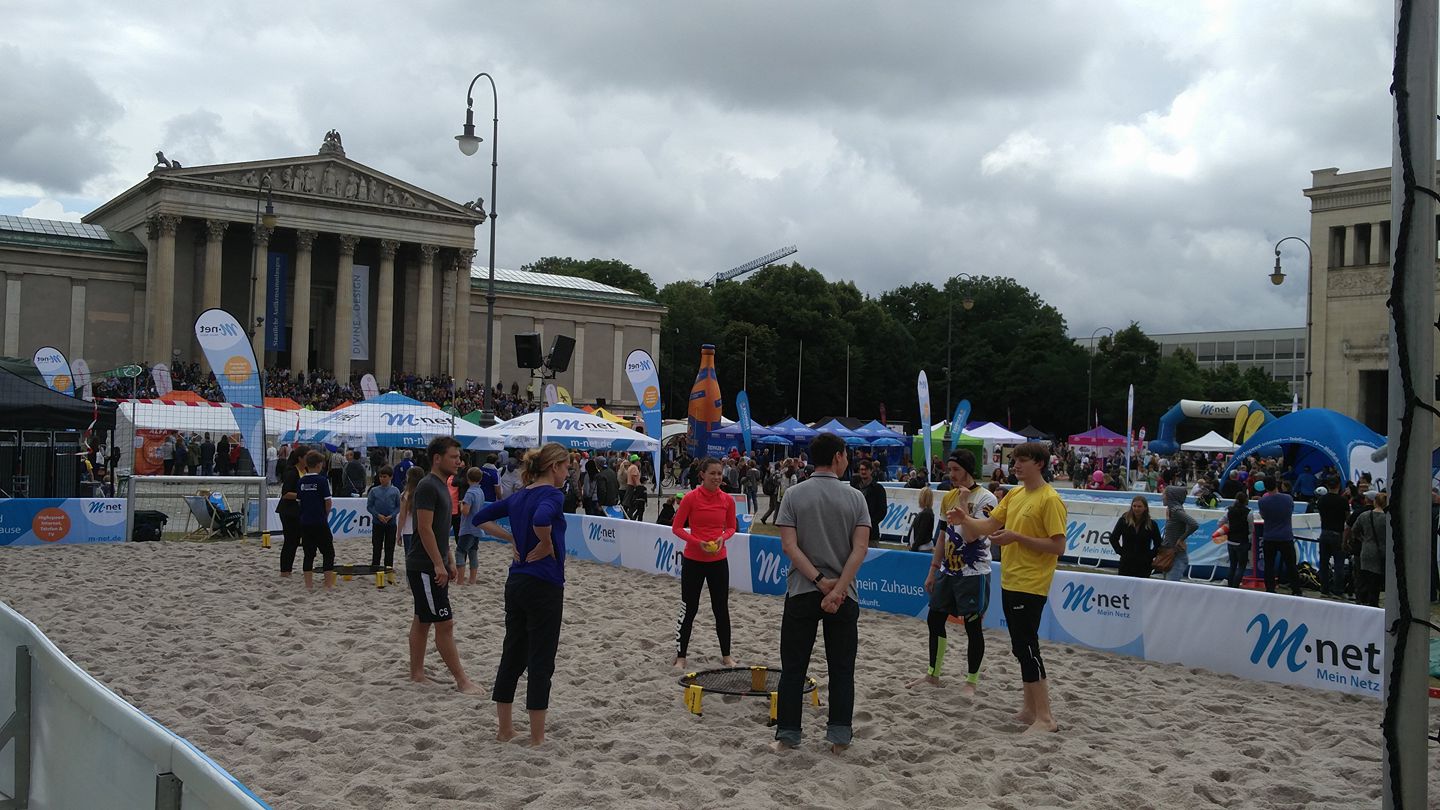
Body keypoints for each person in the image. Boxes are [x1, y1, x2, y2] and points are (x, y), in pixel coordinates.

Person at [952, 441, 1066, 734]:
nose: (1015, 466)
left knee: (1027, 647)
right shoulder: (1015, 494)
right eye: (1014, 460)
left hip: (1032, 582)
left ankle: (1046, 717)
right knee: (1020, 647)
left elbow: (1058, 546)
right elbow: (987, 527)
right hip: (1011, 579)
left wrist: (1017, 537)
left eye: (1021, 461)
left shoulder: (1050, 499)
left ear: (1039, 464)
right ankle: (1030, 710)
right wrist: (964, 517)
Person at [770, 432, 869, 754]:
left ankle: (788, 735)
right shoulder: (856, 498)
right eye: (846, 455)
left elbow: (789, 547)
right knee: (841, 669)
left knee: (793, 667)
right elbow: (860, 550)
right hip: (844, 594)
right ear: (838, 456)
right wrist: (837, 588)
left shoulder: (794, 494)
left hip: (803, 589)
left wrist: (819, 581)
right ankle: (839, 737)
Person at [471, 442, 571, 746]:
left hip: (516, 583)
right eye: (566, 467)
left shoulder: (519, 495)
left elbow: (479, 517)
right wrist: (546, 544)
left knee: (512, 654)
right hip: (544, 584)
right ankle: (537, 737)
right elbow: (542, 519)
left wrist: (510, 538)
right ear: (554, 467)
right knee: (541, 659)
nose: (568, 473)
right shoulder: (552, 495)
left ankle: (505, 729)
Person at [908, 450, 995, 693]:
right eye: (950, 469)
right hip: (949, 570)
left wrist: (964, 504)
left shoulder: (986, 498)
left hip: (974, 572)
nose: (951, 474)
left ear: (968, 469)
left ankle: (971, 681)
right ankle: (933, 675)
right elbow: (942, 536)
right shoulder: (949, 497)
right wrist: (933, 570)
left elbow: (971, 536)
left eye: (956, 469)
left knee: (972, 626)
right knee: (934, 619)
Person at [406, 436, 484, 695]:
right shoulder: (428, 486)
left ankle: (417, 674)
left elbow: (440, 530)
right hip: (425, 565)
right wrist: (438, 564)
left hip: (431, 562)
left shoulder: (441, 485)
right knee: (444, 623)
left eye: (459, 457)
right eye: (454, 457)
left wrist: (448, 558)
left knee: (422, 620)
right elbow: (424, 528)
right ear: (437, 458)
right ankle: (462, 681)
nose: (459, 461)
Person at [670, 458, 739, 671]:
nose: (717, 477)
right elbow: (676, 528)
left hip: (718, 561)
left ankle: (726, 655)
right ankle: (681, 657)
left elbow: (731, 527)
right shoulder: (690, 498)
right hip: (693, 560)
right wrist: (696, 542)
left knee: (721, 608)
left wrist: (722, 538)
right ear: (702, 475)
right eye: (713, 473)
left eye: (719, 473)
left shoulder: (727, 500)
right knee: (689, 608)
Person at [297, 450, 336, 590]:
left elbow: (299, 502)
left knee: (309, 554)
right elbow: (328, 502)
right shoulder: (322, 480)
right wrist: (325, 515)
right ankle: (328, 584)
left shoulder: (301, 481)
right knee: (328, 552)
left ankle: (309, 585)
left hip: (305, 521)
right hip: (319, 521)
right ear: (319, 465)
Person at [1257, 481, 1302, 596]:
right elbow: (1290, 511)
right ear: (1277, 486)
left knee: (1269, 565)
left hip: (1269, 536)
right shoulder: (1288, 498)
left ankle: (1270, 589)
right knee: (1291, 564)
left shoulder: (1262, 501)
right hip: (1285, 536)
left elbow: (1263, 516)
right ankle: (1296, 589)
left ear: (1265, 488)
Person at [1109, 496, 1161, 578]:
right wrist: (1121, 552)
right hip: (1126, 563)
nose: (1136, 509)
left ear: (1145, 508)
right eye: (1134, 506)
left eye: (1139, 506)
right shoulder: (1123, 521)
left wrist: (1151, 555)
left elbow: (1158, 543)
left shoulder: (1152, 524)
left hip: (1144, 564)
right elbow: (1113, 538)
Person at [1352, 492, 1388, 607]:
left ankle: (1362, 600)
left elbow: (1354, 530)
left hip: (1366, 549)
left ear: (1375, 502)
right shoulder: (1387, 518)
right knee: (1376, 581)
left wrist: (1363, 539)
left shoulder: (1364, 516)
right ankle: (1373, 603)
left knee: (1364, 578)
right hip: (1381, 552)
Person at [367, 466, 400, 584]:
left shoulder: (395, 491)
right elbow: (369, 506)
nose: (382, 479)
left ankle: (388, 568)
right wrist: (378, 515)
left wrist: (391, 516)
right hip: (377, 522)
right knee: (376, 546)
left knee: (389, 547)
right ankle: (375, 567)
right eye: (380, 477)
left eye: (384, 477)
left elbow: (398, 506)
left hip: (391, 523)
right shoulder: (374, 490)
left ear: (390, 477)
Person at [1159, 482, 1198, 581]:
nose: (1162, 497)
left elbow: (1194, 524)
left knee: (1171, 587)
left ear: (1171, 497)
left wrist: (1181, 539)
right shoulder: (1172, 510)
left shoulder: (1176, 511)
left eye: (1164, 494)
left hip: (1176, 556)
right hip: (1169, 553)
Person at [277, 449, 306, 578]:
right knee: (290, 541)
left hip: (300, 511)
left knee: (297, 540)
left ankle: (290, 569)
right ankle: (285, 570)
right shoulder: (292, 472)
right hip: (288, 511)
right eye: (307, 456)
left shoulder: (306, 471)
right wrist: (303, 495)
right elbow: (285, 493)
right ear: (300, 458)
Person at [457, 466, 486, 586]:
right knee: (473, 552)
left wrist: (461, 505)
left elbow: (465, 511)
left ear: (468, 478)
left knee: (460, 552)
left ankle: (460, 580)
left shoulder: (469, 493)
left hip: (468, 527)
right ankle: (472, 579)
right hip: (477, 527)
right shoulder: (480, 491)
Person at [850, 460, 888, 547]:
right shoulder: (854, 488)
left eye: (866, 469)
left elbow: (882, 511)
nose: (863, 472)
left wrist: (869, 523)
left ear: (871, 471)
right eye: (861, 469)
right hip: (854, 532)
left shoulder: (878, 489)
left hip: (872, 533)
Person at [1220, 490, 1253, 588]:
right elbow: (1252, 529)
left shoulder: (1229, 510)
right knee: (1241, 566)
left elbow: (1220, 522)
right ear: (1246, 500)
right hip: (1242, 542)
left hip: (1230, 541)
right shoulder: (1249, 513)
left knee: (1232, 565)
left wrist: (1229, 527)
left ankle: (1230, 586)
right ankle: (1235, 586)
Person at [397, 466, 425, 557]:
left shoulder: (405, 494)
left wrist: (399, 533)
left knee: (410, 557)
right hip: (423, 530)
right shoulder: (425, 493)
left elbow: (402, 516)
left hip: (408, 531)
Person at [907, 487, 936, 552]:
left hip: (921, 548)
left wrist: (914, 547)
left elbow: (921, 533)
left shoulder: (926, 513)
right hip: (919, 547)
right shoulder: (924, 512)